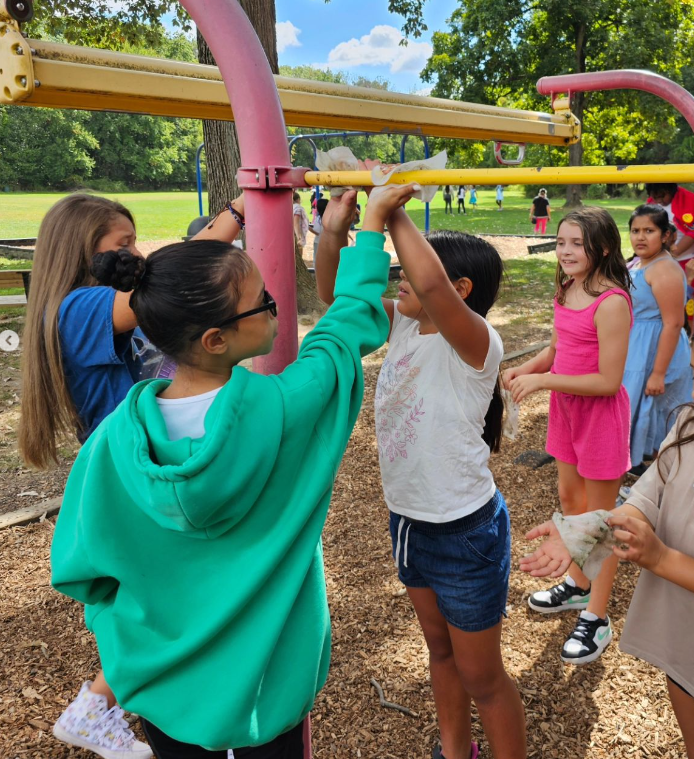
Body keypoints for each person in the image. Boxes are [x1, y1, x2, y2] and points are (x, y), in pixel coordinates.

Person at [49, 184, 416, 758]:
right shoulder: (285, 411)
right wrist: (367, 229)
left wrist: (127, 640)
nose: (275, 306)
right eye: (264, 302)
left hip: (161, 688)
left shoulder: (112, 442)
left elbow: (82, 567)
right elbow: (343, 333)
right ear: (217, 338)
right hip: (269, 685)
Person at [18, 191, 245, 759]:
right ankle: (95, 704)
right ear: (81, 253)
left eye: (135, 240)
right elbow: (169, 282)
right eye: (121, 246)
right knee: (163, 600)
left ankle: (123, 698)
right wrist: (237, 215)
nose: (137, 254)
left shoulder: (94, 303)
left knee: (169, 594)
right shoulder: (79, 307)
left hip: (145, 464)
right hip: (131, 471)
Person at [521, 305, 694, 759]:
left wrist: (661, 559)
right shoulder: (689, 427)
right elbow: (646, 499)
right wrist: (586, 529)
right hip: (682, 637)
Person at [316, 201, 527, 759]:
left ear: (461, 288)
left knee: (483, 676)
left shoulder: (477, 343)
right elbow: (334, 294)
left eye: (407, 270)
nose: (398, 278)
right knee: (439, 649)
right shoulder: (406, 322)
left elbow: (430, 283)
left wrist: (389, 212)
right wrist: (338, 224)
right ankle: (456, 750)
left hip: (464, 532)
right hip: (410, 521)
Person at [503, 207, 632, 664]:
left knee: (600, 520)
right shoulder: (567, 287)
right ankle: (578, 585)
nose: (566, 251)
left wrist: (545, 381)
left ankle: (597, 616)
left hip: (598, 416)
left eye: (577, 244)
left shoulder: (612, 301)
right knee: (571, 504)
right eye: (561, 243)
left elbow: (608, 381)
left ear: (603, 248)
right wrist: (526, 368)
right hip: (567, 412)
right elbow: (559, 346)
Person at [623, 205, 693, 477]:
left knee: (654, 406)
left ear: (665, 235)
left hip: (656, 348)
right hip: (637, 347)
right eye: (635, 231)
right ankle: (635, 460)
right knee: (635, 404)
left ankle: (657, 468)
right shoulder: (640, 262)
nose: (640, 237)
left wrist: (658, 373)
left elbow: (674, 322)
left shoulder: (664, 269)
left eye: (649, 231)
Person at [645, 182, 694, 269]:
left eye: (662, 196)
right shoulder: (651, 204)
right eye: (655, 197)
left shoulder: (688, 200)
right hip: (659, 259)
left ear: (671, 190)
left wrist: (671, 255)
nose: (659, 201)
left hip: (686, 259)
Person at [311, 197, 328, 269]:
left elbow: (317, 232)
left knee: (317, 258)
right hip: (328, 241)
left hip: (319, 241)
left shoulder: (318, 218)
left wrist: (308, 228)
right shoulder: (330, 217)